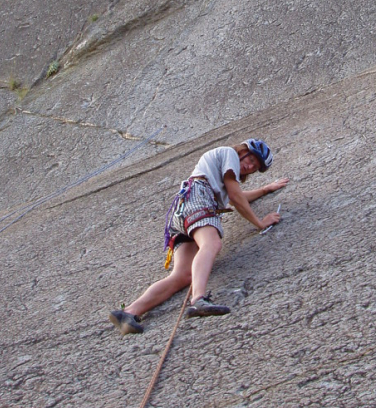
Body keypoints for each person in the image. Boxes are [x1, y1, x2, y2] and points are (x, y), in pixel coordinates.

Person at [109, 139, 288, 334]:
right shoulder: (229, 154)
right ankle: (198, 300)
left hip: (183, 211)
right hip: (198, 199)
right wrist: (260, 222)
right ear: (243, 151)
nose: (250, 166)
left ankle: (128, 313)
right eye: (251, 159)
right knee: (212, 243)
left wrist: (265, 189)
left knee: (183, 275)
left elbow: (238, 196)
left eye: (255, 167)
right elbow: (236, 197)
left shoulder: (218, 176)